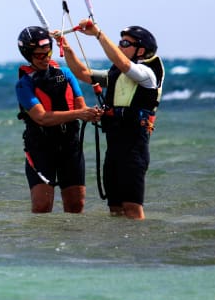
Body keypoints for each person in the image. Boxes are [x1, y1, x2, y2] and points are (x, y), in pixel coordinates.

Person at [59, 21, 164, 220]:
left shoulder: (147, 74)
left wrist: (98, 34)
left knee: (132, 208)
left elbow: (125, 65)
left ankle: (138, 246)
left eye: (126, 44)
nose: (120, 46)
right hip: (114, 147)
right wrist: (65, 47)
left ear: (141, 50)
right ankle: (118, 248)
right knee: (115, 209)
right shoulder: (115, 74)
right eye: (120, 42)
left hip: (134, 147)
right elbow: (83, 73)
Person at [16, 26, 102, 214]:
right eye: (39, 55)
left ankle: (71, 242)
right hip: (40, 148)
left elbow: (81, 106)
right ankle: (43, 243)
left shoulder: (66, 74)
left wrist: (91, 113)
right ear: (27, 55)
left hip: (70, 146)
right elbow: (42, 118)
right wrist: (79, 114)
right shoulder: (24, 84)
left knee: (75, 206)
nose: (45, 58)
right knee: (42, 206)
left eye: (48, 53)